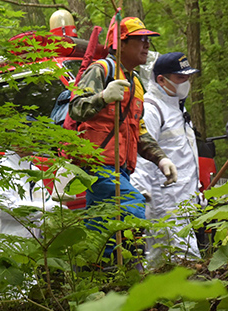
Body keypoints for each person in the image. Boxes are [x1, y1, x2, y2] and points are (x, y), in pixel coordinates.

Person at [68, 16, 176, 259]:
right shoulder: (101, 70)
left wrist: (161, 159)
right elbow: (75, 108)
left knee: (99, 228)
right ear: (121, 44)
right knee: (132, 206)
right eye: (140, 40)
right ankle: (130, 268)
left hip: (121, 169)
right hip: (96, 165)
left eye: (148, 40)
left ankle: (95, 273)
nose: (147, 45)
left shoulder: (136, 82)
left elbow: (138, 131)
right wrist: (103, 97)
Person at [130, 52, 202, 266]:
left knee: (175, 266)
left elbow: (185, 155)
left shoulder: (178, 107)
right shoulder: (151, 110)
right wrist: (140, 199)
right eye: (181, 78)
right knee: (174, 266)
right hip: (165, 204)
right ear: (161, 79)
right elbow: (142, 157)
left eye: (188, 77)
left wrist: (196, 189)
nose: (186, 82)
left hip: (184, 203)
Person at [0, 151, 62, 257]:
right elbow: (5, 210)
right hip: (9, 252)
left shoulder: (35, 171)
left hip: (34, 250)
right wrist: (48, 208)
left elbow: (47, 203)